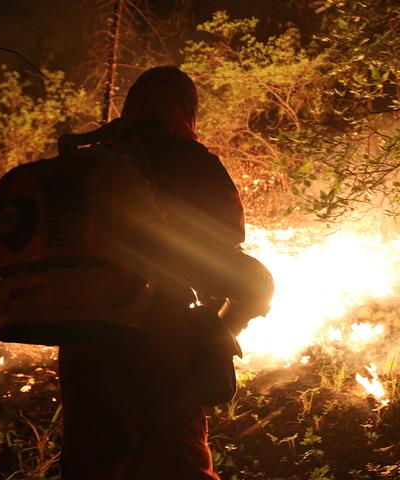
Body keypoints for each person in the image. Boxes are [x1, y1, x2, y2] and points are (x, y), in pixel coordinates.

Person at [58, 66, 273, 480]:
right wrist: (220, 329)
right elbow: (227, 252)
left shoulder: (85, 166)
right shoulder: (189, 161)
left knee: (90, 456)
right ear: (185, 111)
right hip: (159, 334)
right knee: (173, 459)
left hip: (80, 345)